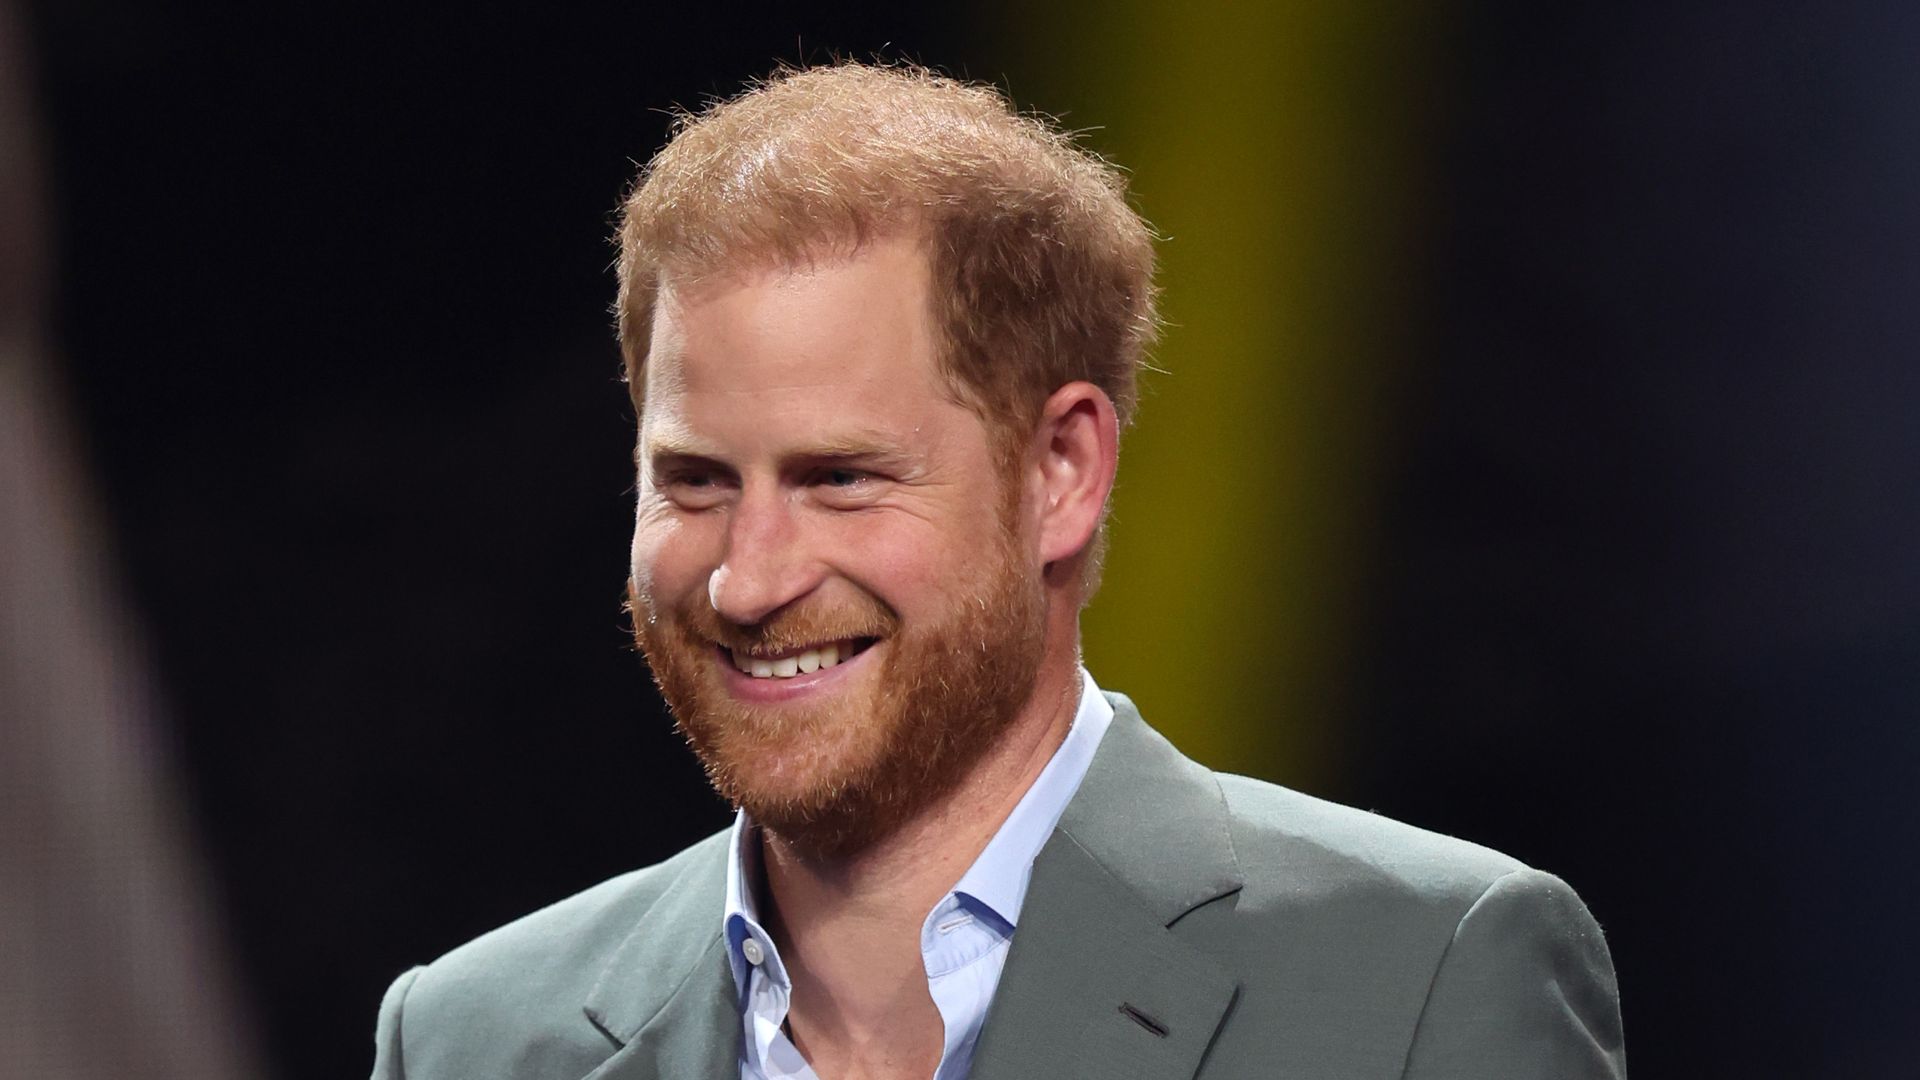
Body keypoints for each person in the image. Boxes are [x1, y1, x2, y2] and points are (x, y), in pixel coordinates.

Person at [370, 62, 1626, 1080]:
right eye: (695, 481)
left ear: (1062, 472)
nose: (746, 583)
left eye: (839, 478)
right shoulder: (472, 1040)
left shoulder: (1423, 978)